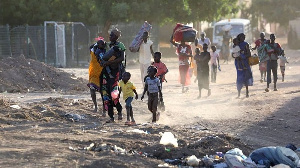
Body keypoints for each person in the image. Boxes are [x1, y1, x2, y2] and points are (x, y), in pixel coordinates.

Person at [101, 28, 126, 123]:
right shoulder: (106, 45)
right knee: (106, 94)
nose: (110, 36)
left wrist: (109, 62)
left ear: (116, 36)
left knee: (114, 94)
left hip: (116, 72)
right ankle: (111, 117)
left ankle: (119, 111)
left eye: (111, 35)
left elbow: (121, 58)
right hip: (106, 72)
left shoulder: (120, 45)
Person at [87, 40, 105, 113]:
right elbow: (90, 47)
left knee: (103, 92)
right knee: (92, 90)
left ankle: (104, 108)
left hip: (101, 73)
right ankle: (96, 106)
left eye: (103, 44)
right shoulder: (93, 50)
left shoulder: (104, 52)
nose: (103, 45)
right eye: (101, 44)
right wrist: (96, 44)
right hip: (93, 73)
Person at [235, 33, 253, 98]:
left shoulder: (246, 44)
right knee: (239, 78)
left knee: (246, 77)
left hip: (245, 62)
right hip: (238, 64)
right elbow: (233, 54)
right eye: (242, 37)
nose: (243, 38)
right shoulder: (236, 45)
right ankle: (239, 93)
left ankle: (247, 92)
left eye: (243, 37)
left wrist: (242, 56)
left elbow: (249, 54)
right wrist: (237, 56)